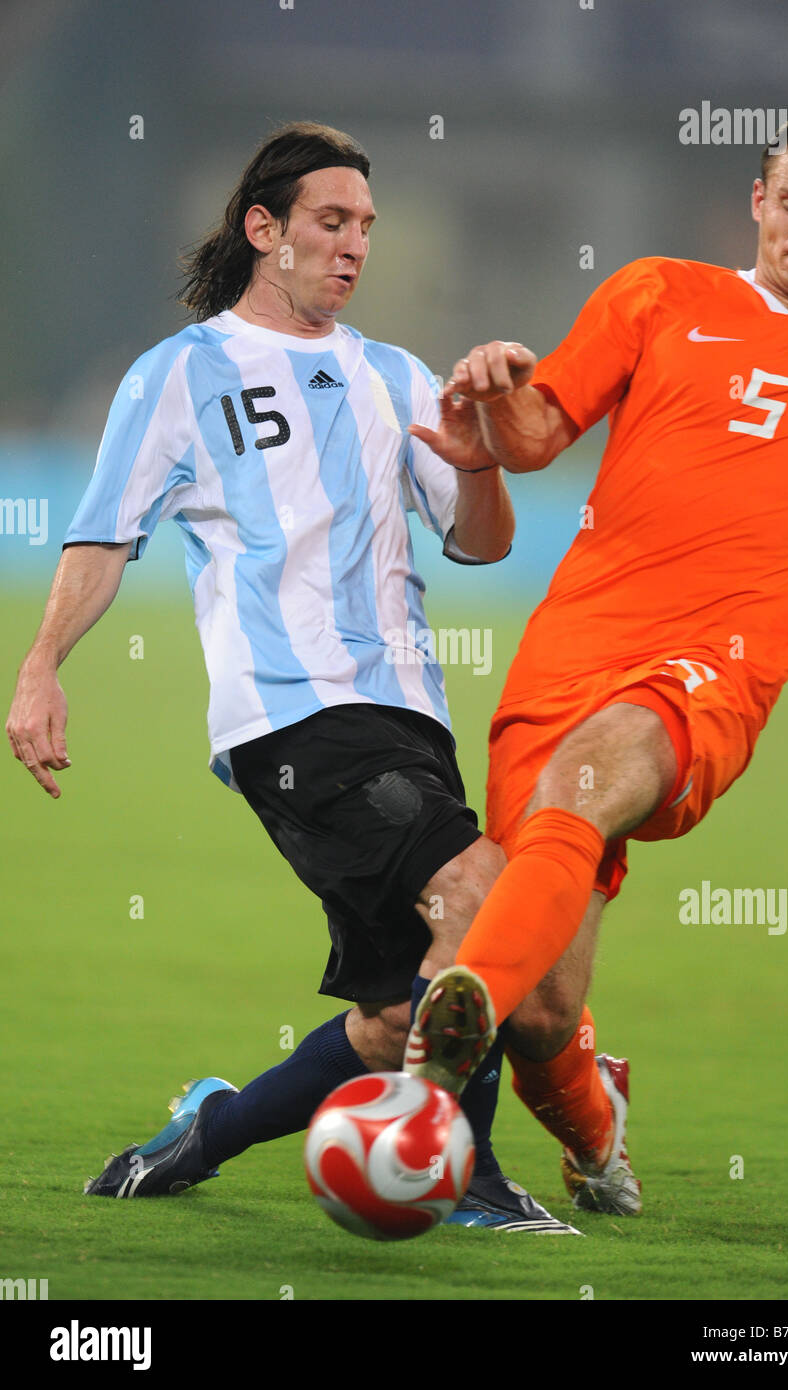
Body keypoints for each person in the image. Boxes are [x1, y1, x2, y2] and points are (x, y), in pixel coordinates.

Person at [5, 121, 579, 1233]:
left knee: (393, 1012)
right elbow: (101, 537)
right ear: (265, 231)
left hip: (410, 711)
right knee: (485, 897)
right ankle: (464, 1174)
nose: (354, 244)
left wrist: (479, 459)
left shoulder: (395, 375)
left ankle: (201, 1136)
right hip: (293, 715)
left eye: (366, 224)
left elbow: (484, 542)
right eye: (330, 221)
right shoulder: (177, 375)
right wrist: (40, 665)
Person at [404, 108, 788, 1218]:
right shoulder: (657, 293)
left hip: (717, 665)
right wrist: (489, 398)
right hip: (570, 649)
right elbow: (533, 433)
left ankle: (431, 1067)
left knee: (589, 779)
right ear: (758, 202)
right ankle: (591, 1111)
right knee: (540, 1016)